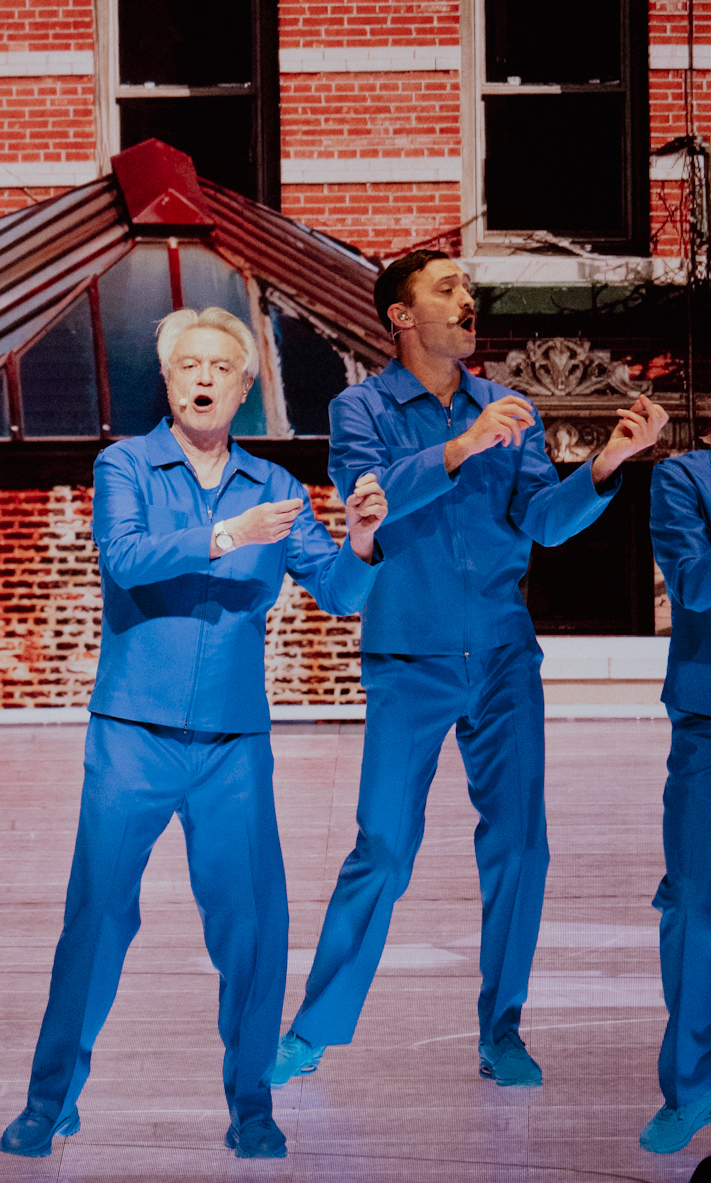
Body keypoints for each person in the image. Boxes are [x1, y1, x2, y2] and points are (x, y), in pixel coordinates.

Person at [0, 305, 388, 1161]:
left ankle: (252, 1106)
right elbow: (125, 557)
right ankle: (49, 1102)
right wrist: (225, 535)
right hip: (131, 734)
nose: (204, 378)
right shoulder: (126, 465)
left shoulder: (277, 489)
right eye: (189, 366)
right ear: (168, 380)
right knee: (97, 918)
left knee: (253, 926)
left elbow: (341, 594)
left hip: (231, 742)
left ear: (246, 389)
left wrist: (362, 541)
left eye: (221, 368)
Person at [273, 249, 668, 1091]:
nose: (468, 297)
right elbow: (371, 499)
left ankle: (503, 1030)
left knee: (521, 846)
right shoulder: (361, 408)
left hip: (501, 656)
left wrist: (605, 465)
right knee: (384, 848)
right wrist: (460, 447)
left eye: (468, 287)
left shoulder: (506, 407)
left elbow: (543, 522)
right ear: (401, 315)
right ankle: (312, 1030)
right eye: (447, 287)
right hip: (408, 658)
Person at [640, 450, 711, 1154]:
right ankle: (691, 1089)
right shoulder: (685, 477)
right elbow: (693, 582)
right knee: (692, 903)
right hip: (708, 722)